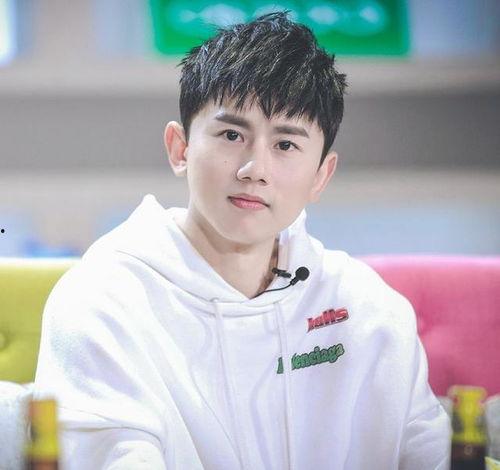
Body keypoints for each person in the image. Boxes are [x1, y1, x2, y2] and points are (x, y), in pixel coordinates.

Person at [33, 10, 451, 470]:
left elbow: (431, 454)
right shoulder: (103, 299)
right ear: (180, 149)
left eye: (285, 145)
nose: (255, 169)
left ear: (321, 174)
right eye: (232, 134)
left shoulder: (368, 307)